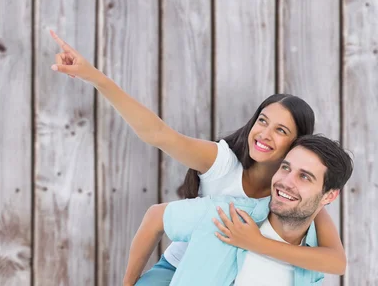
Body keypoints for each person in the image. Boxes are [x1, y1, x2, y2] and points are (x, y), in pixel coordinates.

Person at [48, 30, 346, 285]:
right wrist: (97, 78)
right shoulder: (223, 163)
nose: (264, 134)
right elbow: (158, 134)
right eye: (262, 121)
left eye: (280, 129)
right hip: (180, 269)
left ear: (298, 143)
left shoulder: (291, 193)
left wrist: (258, 244)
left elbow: (336, 261)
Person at [126, 134, 353, 285]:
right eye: (285, 168)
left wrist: (258, 244)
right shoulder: (228, 216)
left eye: (304, 176)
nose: (286, 181)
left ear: (329, 195)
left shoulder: (312, 263)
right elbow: (156, 216)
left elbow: (337, 262)